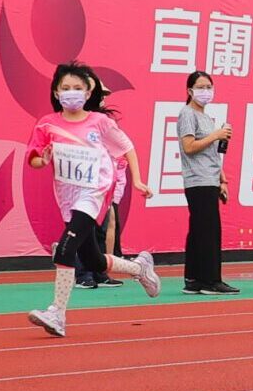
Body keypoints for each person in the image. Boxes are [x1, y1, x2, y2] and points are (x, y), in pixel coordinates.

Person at [23, 64, 162, 337]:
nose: (71, 93)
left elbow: (127, 147)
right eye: (65, 88)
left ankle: (57, 313)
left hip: (94, 192)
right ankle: (139, 268)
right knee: (94, 260)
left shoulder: (100, 122)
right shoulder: (47, 124)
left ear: (88, 93)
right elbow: (35, 160)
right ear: (56, 91)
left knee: (65, 250)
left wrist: (137, 180)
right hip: (67, 196)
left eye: (77, 88)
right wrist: (46, 159)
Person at [175, 70, 236, 294]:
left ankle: (194, 279)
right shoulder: (187, 113)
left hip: (209, 178)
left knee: (200, 229)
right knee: (208, 231)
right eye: (200, 87)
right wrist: (215, 135)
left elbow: (212, 153)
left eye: (208, 87)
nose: (205, 92)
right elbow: (189, 147)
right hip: (197, 180)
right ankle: (210, 280)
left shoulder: (206, 117)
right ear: (190, 91)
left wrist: (222, 179)